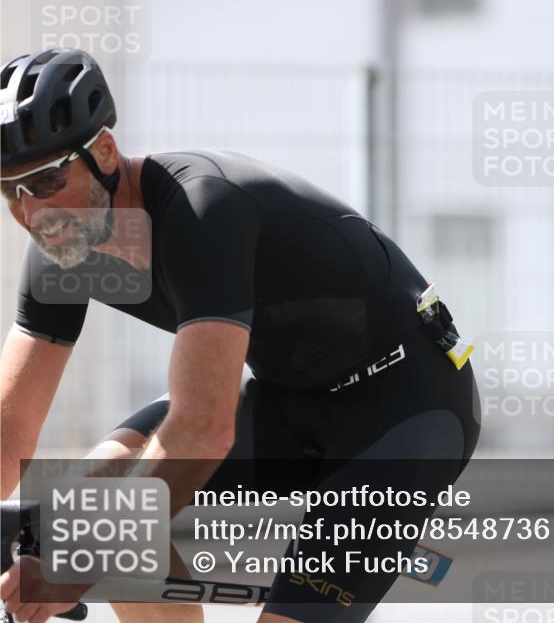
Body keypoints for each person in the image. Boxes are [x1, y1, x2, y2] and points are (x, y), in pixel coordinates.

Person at [0, 48, 480, 623]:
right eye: (10, 192)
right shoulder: (60, 248)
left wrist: (73, 562)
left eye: (48, 180)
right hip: (289, 400)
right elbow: (10, 429)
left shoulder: (204, 210)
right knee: (88, 502)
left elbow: (203, 426)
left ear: (104, 151)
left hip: (404, 409)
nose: (31, 213)